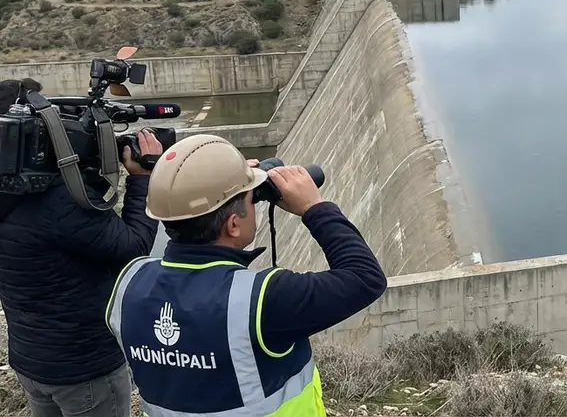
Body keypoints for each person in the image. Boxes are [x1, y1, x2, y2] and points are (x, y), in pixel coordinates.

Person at [105, 134, 387, 416]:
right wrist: (314, 208)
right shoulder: (263, 301)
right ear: (233, 225)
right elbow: (365, 277)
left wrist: (228, 180)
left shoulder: (129, 283)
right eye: (251, 202)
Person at [0, 121, 163, 417]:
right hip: (83, 370)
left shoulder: (10, 195)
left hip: (31, 362)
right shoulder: (60, 204)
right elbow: (133, 246)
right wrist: (143, 178)